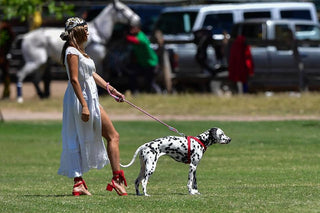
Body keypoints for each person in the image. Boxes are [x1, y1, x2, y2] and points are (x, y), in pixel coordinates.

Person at [58, 17, 127, 196]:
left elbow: (91, 74)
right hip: (81, 99)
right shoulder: (72, 52)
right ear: (78, 31)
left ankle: (85, 182)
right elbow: (74, 79)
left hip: (91, 98)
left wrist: (111, 90)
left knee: (111, 136)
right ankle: (114, 179)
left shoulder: (80, 51)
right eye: (85, 29)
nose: (88, 32)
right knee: (106, 136)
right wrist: (84, 105)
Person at [125, 25, 161, 93]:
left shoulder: (141, 36)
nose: (131, 30)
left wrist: (125, 36)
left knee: (150, 83)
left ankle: (159, 93)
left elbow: (135, 41)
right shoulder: (137, 36)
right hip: (144, 64)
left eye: (133, 28)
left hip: (151, 64)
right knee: (132, 75)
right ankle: (135, 92)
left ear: (138, 29)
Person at [0, 20, 15, 99]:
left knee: (5, 74)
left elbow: (12, 38)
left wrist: (8, 51)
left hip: (3, 55)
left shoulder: (6, 27)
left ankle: (6, 93)